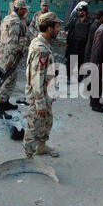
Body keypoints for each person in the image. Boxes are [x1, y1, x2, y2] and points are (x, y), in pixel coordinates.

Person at [23, 12, 62, 158]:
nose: (59, 30)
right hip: (39, 94)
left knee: (46, 120)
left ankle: (41, 146)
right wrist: (39, 103)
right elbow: (36, 78)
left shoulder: (41, 43)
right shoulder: (41, 49)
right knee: (34, 124)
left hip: (46, 91)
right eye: (57, 27)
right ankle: (28, 154)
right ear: (50, 28)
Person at [0, 0, 29, 119]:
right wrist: (10, 61)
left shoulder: (7, 18)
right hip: (10, 56)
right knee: (8, 81)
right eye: (24, 9)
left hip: (4, 53)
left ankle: (5, 102)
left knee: (9, 79)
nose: (26, 10)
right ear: (19, 9)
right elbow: (13, 42)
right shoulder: (15, 21)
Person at [65, 3, 92, 83]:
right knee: (71, 61)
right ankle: (69, 77)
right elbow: (70, 31)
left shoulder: (90, 21)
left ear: (85, 12)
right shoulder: (74, 19)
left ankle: (80, 77)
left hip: (83, 44)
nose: (79, 12)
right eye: (79, 11)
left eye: (81, 11)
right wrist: (67, 42)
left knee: (81, 61)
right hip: (74, 44)